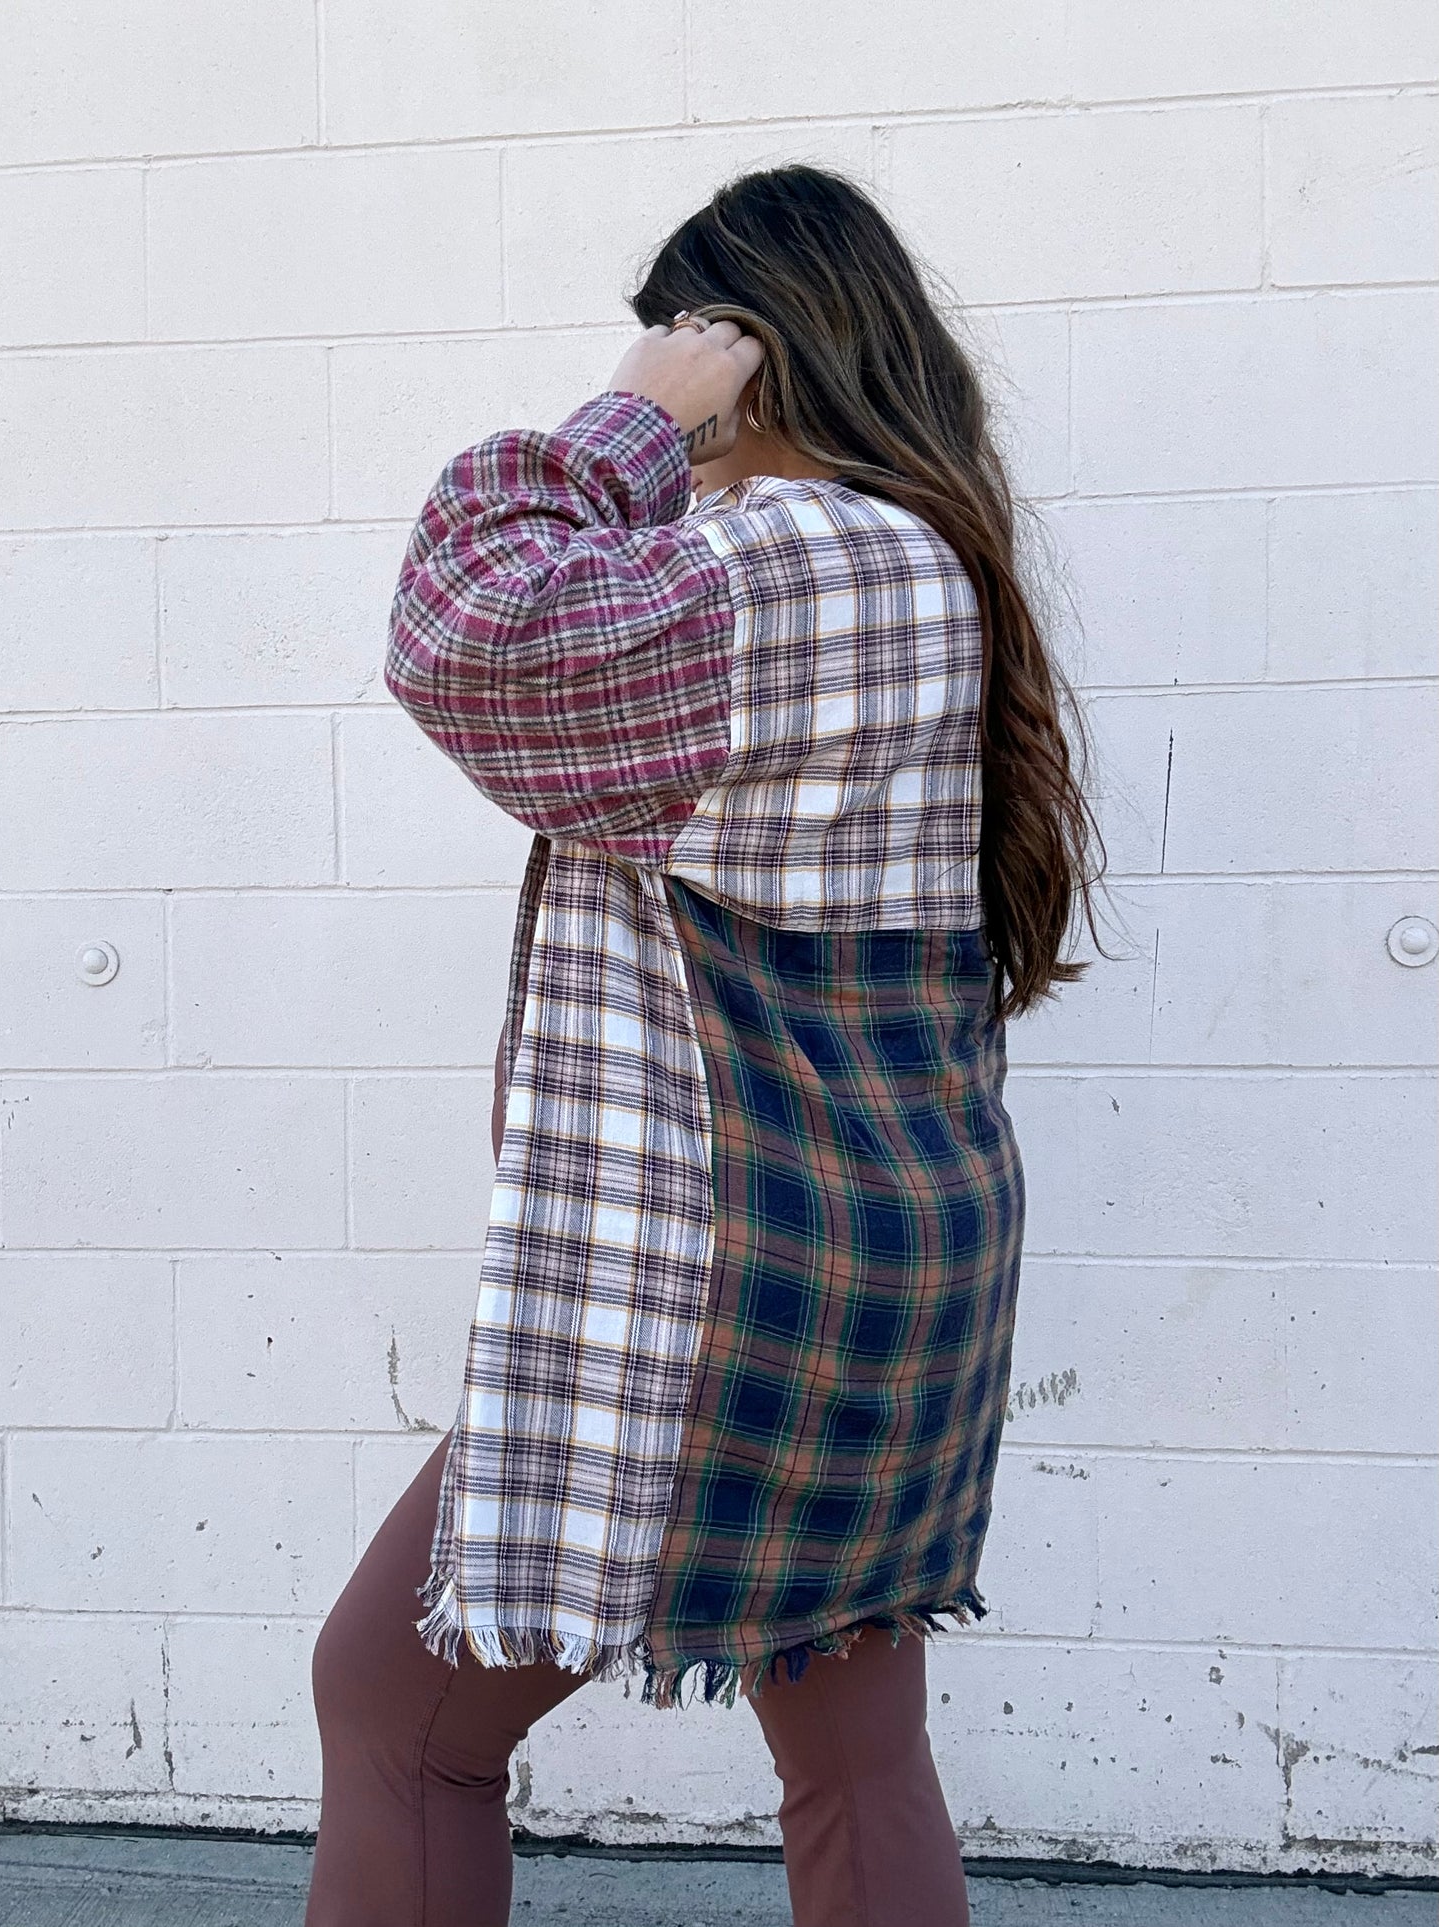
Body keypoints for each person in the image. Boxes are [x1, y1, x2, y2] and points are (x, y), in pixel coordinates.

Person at [304, 163, 1102, 1927]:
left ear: (750, 347)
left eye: (681, 336)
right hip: (883, 1256)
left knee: (394, 1715)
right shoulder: (929, 562)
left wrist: (618, 427)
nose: (658, 367)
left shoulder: (788, 557)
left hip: (716, 1275)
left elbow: (469, 637)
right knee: (853, 1756)